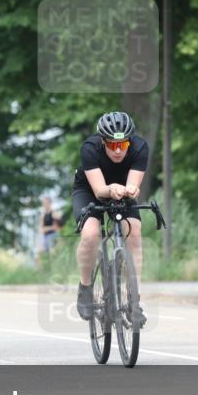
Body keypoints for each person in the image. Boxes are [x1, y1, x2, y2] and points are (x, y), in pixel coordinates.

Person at [73, 111, 148, 323]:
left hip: (121, 190)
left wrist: (132, 189)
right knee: (91, 234)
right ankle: (85, 288)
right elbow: (99, 191)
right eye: (112, 145)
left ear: (129, 143)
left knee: (134, 230)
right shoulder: (90, 148)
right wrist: (112, 187)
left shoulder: (140, 148)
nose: (117, 151)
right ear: (103, 142)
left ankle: (134, 301)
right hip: (90, 190)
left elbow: (134, 183)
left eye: (122, 146)